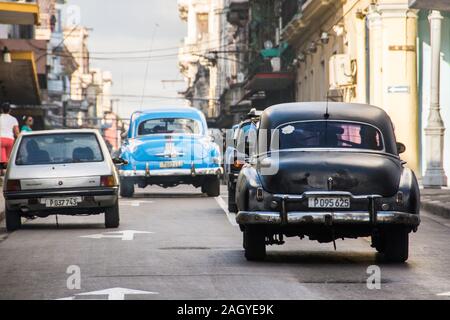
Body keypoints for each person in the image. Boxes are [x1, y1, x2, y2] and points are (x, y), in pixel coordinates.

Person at [0, 102, 19, 174]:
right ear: (9, 110)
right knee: (8, 160)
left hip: (1, 140)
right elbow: (17, 133)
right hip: (10, 140)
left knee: (1, 159)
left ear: (1, 110)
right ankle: (6, 176)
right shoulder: (13, 119)